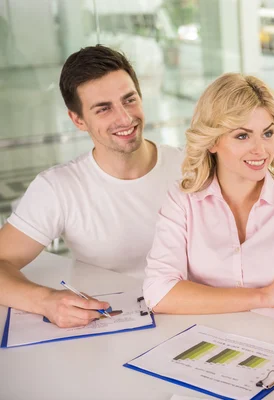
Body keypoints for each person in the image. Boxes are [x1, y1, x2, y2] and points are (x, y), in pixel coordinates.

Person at [0, 45, 183, 328]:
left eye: (129, 100)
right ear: (78, 120)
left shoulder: (190, 167)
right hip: (112, 327)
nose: (124, 118)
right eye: (103, 109)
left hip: (195, 318)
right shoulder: (58, 187)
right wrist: (45, 300)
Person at [142, 73, 274, 321]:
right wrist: (263, 296)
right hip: (203, 343)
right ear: (211, 142)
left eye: (267, 133)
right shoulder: (183, 202)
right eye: (242, 136)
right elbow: (159, 293)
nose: (260, 149)